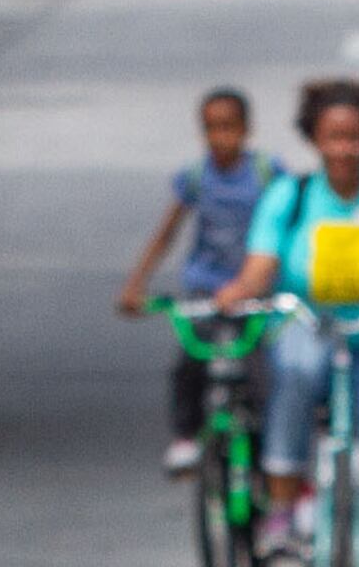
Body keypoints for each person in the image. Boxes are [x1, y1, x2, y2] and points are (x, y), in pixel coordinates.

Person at [218, 76, 359, 546]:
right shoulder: (290, 195)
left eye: (354, 137)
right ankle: (282, 502)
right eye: (333, 137)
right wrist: (238, 292)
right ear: (314, 139)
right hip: (309, 325)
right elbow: (262, 265)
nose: (344, 149)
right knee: (294, 371)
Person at [117, 86, 284, 472]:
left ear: (246, 129)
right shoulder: (195, 178)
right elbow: (167, 232)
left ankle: (276, 455)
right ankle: (185, 436)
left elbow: (290, 226)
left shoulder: (267, 173)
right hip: (207, 288)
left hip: (256, 292)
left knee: (264, 375)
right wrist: (135, 285)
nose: (220, 137)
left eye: (229, 127)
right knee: (189, 362)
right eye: (212, 128)